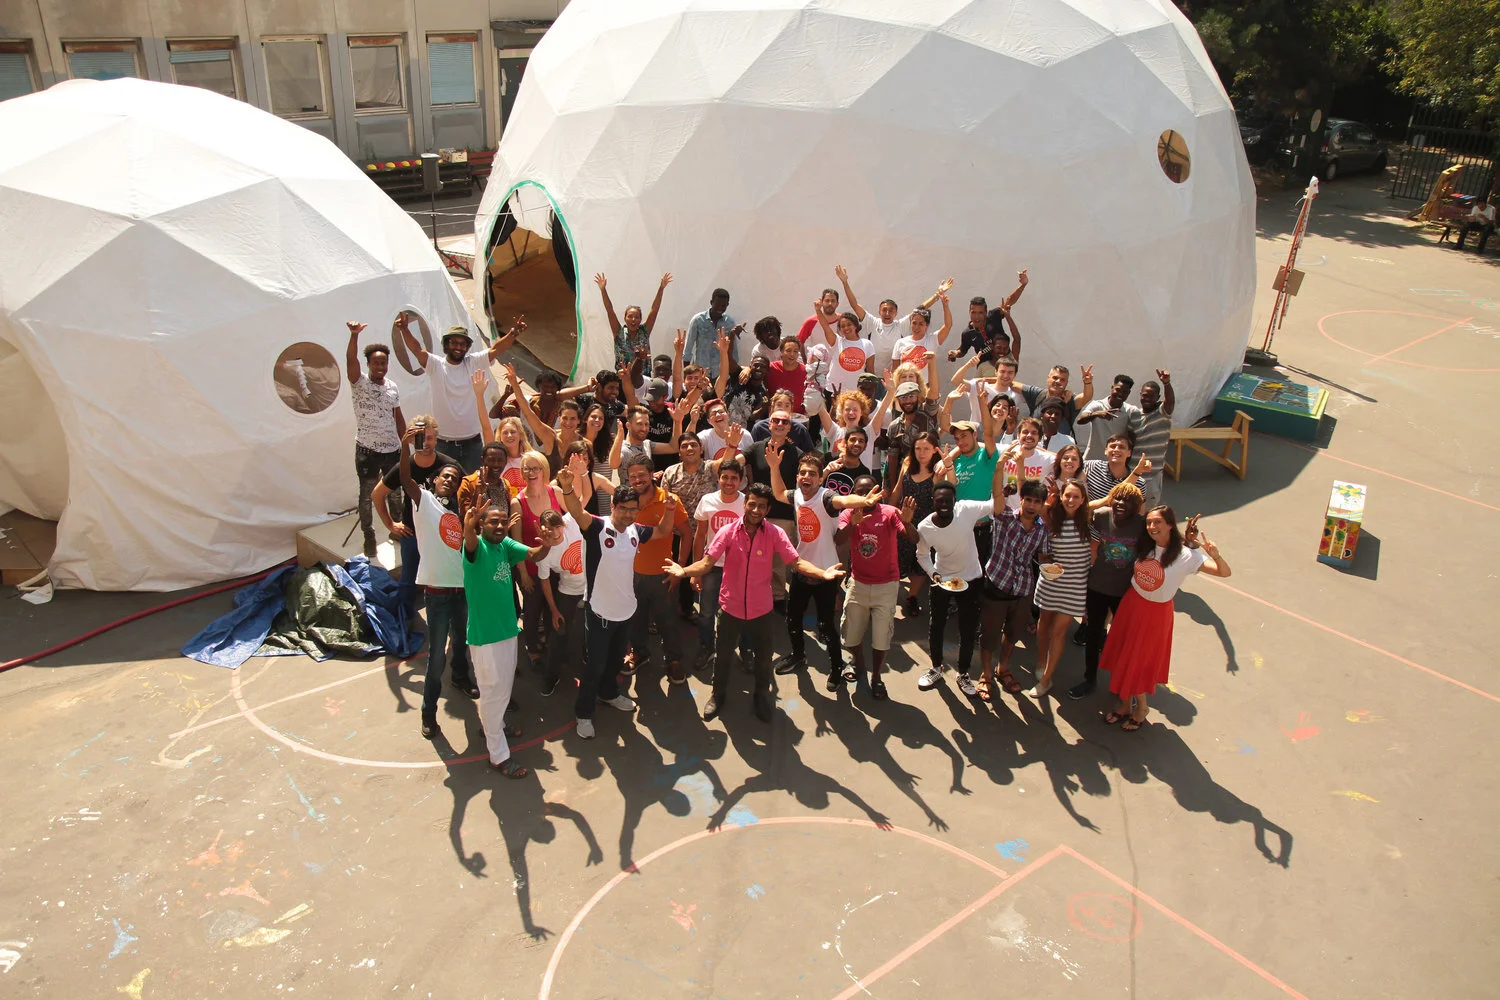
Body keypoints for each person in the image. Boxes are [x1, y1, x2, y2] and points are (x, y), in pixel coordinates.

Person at [664, 484, 845, 722]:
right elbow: (707, 564)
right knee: (724, 656)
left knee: (762, 658)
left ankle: (761, 696)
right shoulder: (727, 532)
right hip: (730, 607)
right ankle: (717, 696)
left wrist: (822, 575)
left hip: (761, 610)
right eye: (752, 504)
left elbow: (797, 563)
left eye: (762, 506)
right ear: (745, 504)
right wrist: (684, 571)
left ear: (768, 508)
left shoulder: (775, 534)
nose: (756, 510)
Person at [554, 469, 669, 740]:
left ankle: (608, 694)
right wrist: (569, 489)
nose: (630, 514)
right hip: (599, 612)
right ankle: (583, 713)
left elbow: (664, 530)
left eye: (634, 509)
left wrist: (671, 508)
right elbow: (576, 511)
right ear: (614, 506)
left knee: (616, 660)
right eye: (625, 509)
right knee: (594, 665)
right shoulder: (596, 527)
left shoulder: (636, 531)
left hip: (626, 611)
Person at [1101, 508, 1231, 730]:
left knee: (1139, 660)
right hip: (1132, 605)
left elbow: (1224, 573)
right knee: (1124, 653)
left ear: (1171, 524)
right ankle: (1125, 704)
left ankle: (1141, 708)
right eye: (1150, 522)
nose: (1152, 527)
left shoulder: (1187, 557)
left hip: (1155, 614)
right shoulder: (1145, 545)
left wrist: (1215, 554)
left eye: (1158, 522)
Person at [461, 500, 559, 777]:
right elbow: (469, 539)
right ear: (481, 524)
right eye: (493, 521)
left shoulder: (505, 545)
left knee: (502, 689)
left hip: (507, 631)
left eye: (504, 521)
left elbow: (535, 555)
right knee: (494, 694)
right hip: (486, 638)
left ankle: (496, 725)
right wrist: (469, 525)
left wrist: (549, 544)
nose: (500, 526)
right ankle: (499, 756)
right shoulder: (476, 546)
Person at [396, 427, 479, 740]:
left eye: (455, 479)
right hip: (437, 593)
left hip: (461, 591)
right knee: (436, 657)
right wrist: (405, 448)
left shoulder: (459, 513)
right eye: (445, 476)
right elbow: (405, 479)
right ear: (432, 480)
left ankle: (460, 677)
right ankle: (428, 712)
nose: (449, 480)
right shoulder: (424, 501)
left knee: (461, 643)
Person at [766, 445, 864, 680]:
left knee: (826, 624)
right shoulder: (798, 495)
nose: (806, 477)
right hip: (801, 569)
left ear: (821, 479)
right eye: (803, 473)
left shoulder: (826, 497)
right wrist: (773, 467)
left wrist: (860, 499)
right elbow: (779, 493)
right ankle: (798, 655)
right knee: (793, 618)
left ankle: (836, 667)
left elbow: (842, 501)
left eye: (812, 473)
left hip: (826, 573)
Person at [398, 313, 523, 474]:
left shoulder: (473, 362)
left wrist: (513, 333)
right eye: (454, 342)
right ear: (446, 344)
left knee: (472, 489)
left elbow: (495, 349)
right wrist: (404, 329)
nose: (458, 347)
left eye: (463, 344)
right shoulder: (435, 365)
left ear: (467, 348)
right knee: (444, 491)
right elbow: (417, 349)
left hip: (472, 444)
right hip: (443, 444)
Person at [373, 415, 460, 618]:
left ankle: (447, 622)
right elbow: (377, 495)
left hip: (441, 536)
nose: (426, 443)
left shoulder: (449, 466)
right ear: (411, 440)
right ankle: (403, 621)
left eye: (430, 438)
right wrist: (391, 525)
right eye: (421, 437)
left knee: (443, 580)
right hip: (411, 532)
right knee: (407, 580)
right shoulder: (405, 466)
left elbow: (465, 491)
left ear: (436, 440)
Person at [912, 481, 993, 695]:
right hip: (943, 580)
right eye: (940, 501)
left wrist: (1004, 487)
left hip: (971, 579)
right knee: (936, 626)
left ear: (954, 501)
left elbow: (995, 506)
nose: (944, 505)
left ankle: (963, 673)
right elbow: (921, 555)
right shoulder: (925, 527)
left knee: (968, 630)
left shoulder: (966, 509)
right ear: (933, 502)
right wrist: (934, 574)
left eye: (948, 500)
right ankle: (936, 668)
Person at [1068, 481, 1146, 699]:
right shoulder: (1102, 515)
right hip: (1098, 586)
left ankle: (1122, 683)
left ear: (1137, 505)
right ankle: (1089, 680)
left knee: (1123, 640)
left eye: (1128, 501)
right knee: (1093, 636)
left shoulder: (1142, 524)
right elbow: (1080, 513)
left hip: (1125, 592)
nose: (1121, 503)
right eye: (1117, 499)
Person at [976, 476, 1051, 699]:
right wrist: (1002, 486)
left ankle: (1003, 667)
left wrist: (1050, 568)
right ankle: (986, 674)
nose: (1031, 506)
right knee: (990, 634)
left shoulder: (1042, 530)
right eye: (1028, 500)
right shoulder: (1005, 517)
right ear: (1022, 499)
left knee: (1012, 633)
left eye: (1037, 502)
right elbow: (997, 499)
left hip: (1023, 588)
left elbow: (1044, 557)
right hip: (997, 582)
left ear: (1042, 504)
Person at [834, 476, 909, 698]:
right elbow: (839, 540)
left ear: (880, 491)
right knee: (850, 636)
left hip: (886, 585)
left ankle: (876, 676)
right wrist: (853, 524)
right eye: (861, 491)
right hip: (857, 583)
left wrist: (910, 521)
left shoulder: (890, 512)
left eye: (871, 489)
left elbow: (911, 538)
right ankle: (859, 663)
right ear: (854, 494)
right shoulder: (849, 512)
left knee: (881, 638)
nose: (867, 495)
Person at [622, 454, 690, 683]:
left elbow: (687, 534)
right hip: (632, 575)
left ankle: (673, 659)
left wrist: (679, 568)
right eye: (632, 476)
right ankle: (640, 653)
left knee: (668, 620)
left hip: (663, 575)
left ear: (652, 475)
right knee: (636, 619)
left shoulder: (669, 500)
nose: (637, 479)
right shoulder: (624, 501)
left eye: (642, 474)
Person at [346, 321, 406, 557]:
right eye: (376, 362)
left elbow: (398, 417)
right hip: (367, 450)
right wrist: (354, 336)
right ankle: (368, 536)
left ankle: (398, 529)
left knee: (395, 493)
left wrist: (405, 444)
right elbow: (351, 361)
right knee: (367, 495)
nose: (380, 366)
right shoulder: (359, 383)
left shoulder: (392, 387)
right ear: (368, 364)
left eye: (383, 362)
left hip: (391, 450)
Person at [1032, 480, 1094, 697]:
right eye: (1068, 495)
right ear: (1061, 496)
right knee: (1043, 624)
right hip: (1051, 581)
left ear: (1084, 500)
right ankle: (1041, 661)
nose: (1071, 500)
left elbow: (1093, 557)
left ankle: (1047, 679)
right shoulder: (1052, 519)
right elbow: (1043, 554)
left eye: (1076, 496)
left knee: (1058, 633)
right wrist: (1048, 564)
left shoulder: (1089, 521)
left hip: (1075, 586)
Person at [690, 458, 747, 671]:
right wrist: (697, 571)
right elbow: (700, 534)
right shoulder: (707, 501)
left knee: (742, 611)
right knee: (706, 612)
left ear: (741, 481)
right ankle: (707, 647)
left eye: (734, 478)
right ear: (718, 478)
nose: (729, 482)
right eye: (725, 477)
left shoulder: (747, 503)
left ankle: (745, 648)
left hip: (739, 567)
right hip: (712, 566)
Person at [740, 406, 802, 601]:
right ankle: (751, 595)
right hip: (755, 513)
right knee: (751, 558)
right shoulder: (756, 447)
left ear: (790, 427)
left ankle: (776, 599)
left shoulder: (796, 454)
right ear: (769, 423)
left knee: (777, 565)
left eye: (785, 422)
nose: (780, 424)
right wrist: (732, 447)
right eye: (776, 420)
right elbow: (734, 463)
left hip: (783, 515)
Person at [834, 264, 954, 363]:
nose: (887, 313)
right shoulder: (871, 322)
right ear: (879, 311)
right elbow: (854, 305)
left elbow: (921, 308)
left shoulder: (901, 325)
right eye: (884, 310)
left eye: (891, 310)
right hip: (873, 375)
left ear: (896, 312)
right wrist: (845, 283)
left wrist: (937, 295)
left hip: (895, 376)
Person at [511, 449, 563, 663]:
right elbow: (516, 543)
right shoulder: (517, 501)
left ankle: (552, 645)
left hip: (556, 567)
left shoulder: (556, 492)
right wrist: (523, 573)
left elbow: (573, 520)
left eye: (535, 468)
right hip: (531, 569)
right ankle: (532, 646)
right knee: (532, 613)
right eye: (526, 468)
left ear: (544, 470)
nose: (531, 472)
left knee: (553, 610)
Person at [662, 433, 719, 622]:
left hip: (706, 533)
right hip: (678, 533)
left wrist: (733, 445)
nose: (689, 448)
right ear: (679, 452)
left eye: (694, 445)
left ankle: (697, 609)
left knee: (703, 573)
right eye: (685, 445)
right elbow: (664, 502)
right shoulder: (670, 472)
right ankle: (672, 611)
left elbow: (728, 462)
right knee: (678, 571)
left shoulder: (711, 468)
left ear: (701, 449)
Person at [889, 431, 943, 618]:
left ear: (934, 450)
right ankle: (887, 597)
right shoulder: (906, 464)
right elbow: (897, 492)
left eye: (926, 449)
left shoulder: (937, 473)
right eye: (918, 448)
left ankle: (912, 596)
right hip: (903, 523)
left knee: (920, 563)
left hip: (926, 527)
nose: (921, 453)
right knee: (896, 560)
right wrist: (887, 515)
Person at [946, 270, 1027, 363]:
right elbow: (962, 350)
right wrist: (955, 353)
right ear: (969, 312)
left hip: (1004, 364)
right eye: (973, 312)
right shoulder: (967, 333)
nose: (977, 317)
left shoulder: (994, 316)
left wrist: (1023, 285)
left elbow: (1009, 301)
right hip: (985, 368)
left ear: (985, 312)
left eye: (980, 313)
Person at [596, 271, 671, 369]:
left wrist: (661, 288)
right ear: (625, 318)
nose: (633, 320)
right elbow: (609, 310)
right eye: (630, 316)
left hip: (643, 378)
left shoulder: (644, 331)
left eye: (636, 317)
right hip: (623, 377)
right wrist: (603, 290)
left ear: (640, 320)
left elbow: (654, 310)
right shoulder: (619, 332)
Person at [883, 380, 942, 490]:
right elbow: (892, 458)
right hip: (907, 477)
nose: (907, 401)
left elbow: (934, 395)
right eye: (903, 397)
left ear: (918, 397)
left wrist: (931, 362)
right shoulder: (894, 426)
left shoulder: (929, 416)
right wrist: (892, 486)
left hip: (932, 475)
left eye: (911, 396)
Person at [810, 300, 874, 395]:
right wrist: (818, 310)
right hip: (833, 390)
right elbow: (825, 326)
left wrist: (870, 391)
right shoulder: (837, 341)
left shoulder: (867, 344)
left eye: (849, 324)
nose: (846, 328)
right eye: (843, 326)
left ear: (855, 325)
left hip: (856, 392)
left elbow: (870, 371)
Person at [1017, 363, 1093, 442]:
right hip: (1034, 447)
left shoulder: (1070, 401)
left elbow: (1086, 397)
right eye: (1055, 378)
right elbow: (1012, 384)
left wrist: (1087, 383)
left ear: (1066, 382)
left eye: (1062, 380)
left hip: (1060, 449)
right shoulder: (1038, 395)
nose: (1058, 381)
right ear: (1048, 378)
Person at [1076, 374, 1142, 461]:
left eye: (1124, 392)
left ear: (1129, 393)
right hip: (1092, 461)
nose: (1120, 394)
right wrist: (1097, 414)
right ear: (1112, 387)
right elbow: (1080, 420)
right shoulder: (1097, 405)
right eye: (1117, 390)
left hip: (1115, 463)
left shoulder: (1130, 411)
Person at [1134, 371, 1175, 507]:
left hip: (1152, 476)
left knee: (1148, 512)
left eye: (1152, 397)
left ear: (1158, 398)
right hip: (1133, 474)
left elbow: (1170, 402)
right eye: (1145, 395)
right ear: (1140, 395)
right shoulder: (1134, 415)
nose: (1147, 399)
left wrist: (1166, 383)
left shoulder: (1162, 413)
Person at [1084, 434, 1152, 505]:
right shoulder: (1090, 466)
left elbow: (1139, 512)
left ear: (1129, 453)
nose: (1116, 449)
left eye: (1121, 447)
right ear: (1106, 451)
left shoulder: (1139, 483)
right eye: (1113, 446)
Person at [685, 287, 739, 377]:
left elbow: (733, 351)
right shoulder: (698, 320)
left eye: (723, 306)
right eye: (717, 305)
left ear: (727, 305)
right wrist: (686, 373)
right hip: (700, 373)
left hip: (720, 374)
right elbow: (688, 347)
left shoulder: (730, 323)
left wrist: (732, 373)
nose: (720, 308)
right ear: (711, 302)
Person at [890, 294, 953, 369]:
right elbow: (895, 371)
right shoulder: (900, 343)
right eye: (914, 323)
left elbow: (948, 325)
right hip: (906, 381)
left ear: (927, 325)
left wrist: (945, 305)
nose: (916, 327)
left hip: (926, 381)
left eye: (921, 324)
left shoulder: (933, 339)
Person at [822, 427, 872, 495]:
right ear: (845, 442)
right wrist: (826, 471)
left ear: (865, 446)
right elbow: (813, 484)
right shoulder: (828, 458)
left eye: (861, 441)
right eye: (853, 440)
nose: (856, 443)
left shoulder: (864, 473)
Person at [766, 336, 809, 413]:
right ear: (781, 352)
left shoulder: (806, 371)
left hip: (799, 417)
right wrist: (748, 369)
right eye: (788, 351)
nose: (792, 354)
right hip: (776, 417)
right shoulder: (771, 368)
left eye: (795, 351)